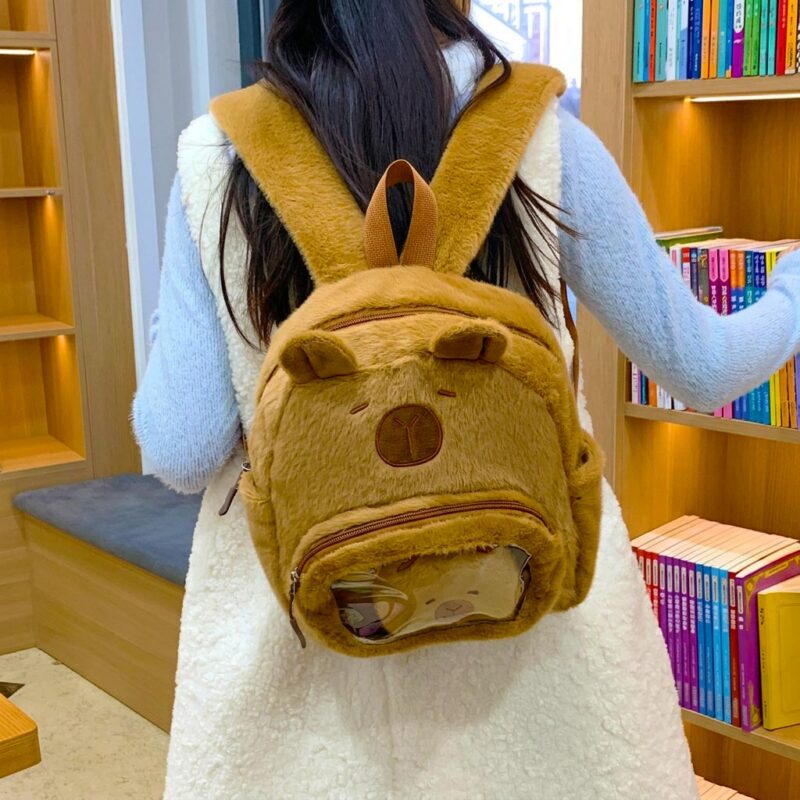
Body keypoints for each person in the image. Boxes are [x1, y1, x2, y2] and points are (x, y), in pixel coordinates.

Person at [133, 2, 800, 798]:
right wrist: (791, 292)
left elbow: (181, 447)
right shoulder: (541, 135)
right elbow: (704, 366)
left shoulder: (217, 155)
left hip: (314, 649)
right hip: (532, 648)